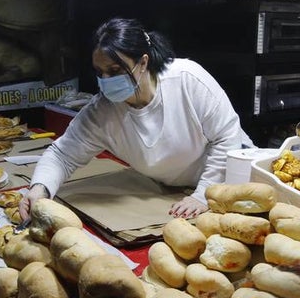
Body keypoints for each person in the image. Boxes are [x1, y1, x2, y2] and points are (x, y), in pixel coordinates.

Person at [19, 18, 252, 220]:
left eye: (114, 71)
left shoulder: (186, 80)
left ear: (143, 62)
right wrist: (40, 189)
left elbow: (226, 139)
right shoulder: (103, 112)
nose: (105, 80)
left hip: (231, 181)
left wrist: (204, 194)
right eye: (99, 72)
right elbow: (62, 155)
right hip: (175, 191)